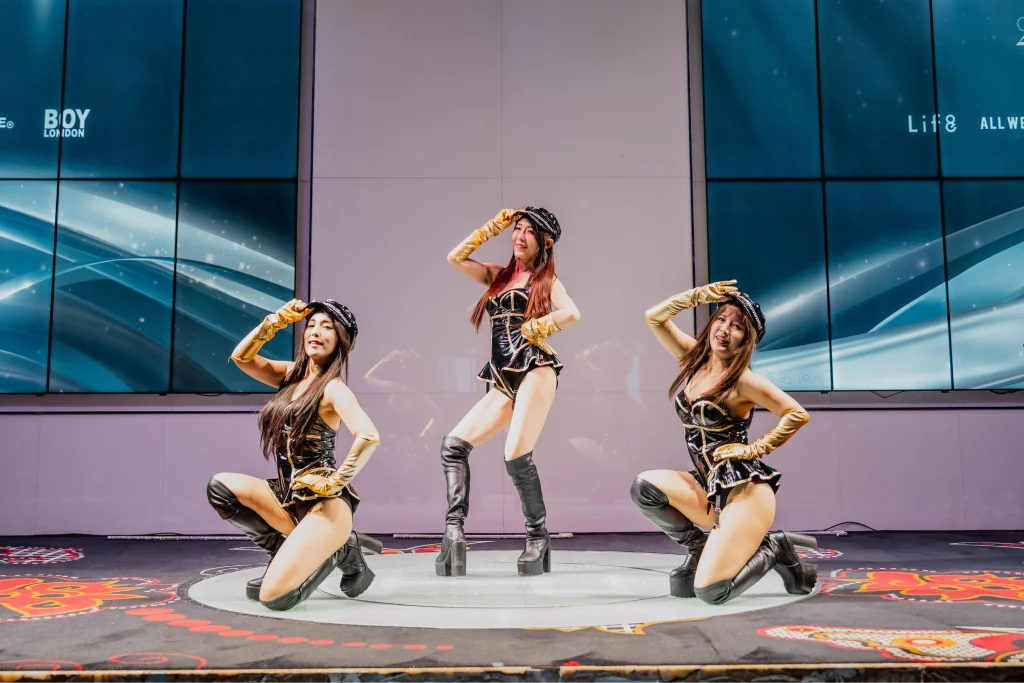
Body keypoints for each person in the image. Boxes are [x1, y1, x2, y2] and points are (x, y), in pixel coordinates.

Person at [632, 281, 817, 604]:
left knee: (711, 592)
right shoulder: (693, 361)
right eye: (721, 319)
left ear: (747, 340)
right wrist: (695, 297)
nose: (724, 330)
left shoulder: (744, 381)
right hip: (708, 485)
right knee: (644, 488)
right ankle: (698, 548)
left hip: (744, 492)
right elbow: (654, 317)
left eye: (737, 327)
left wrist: (755, 449)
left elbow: (796, 414)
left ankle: (775, 548)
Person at [206, 298, 381, 611]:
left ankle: (339, 549)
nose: (315, 331)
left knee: (274, 597)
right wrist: (275, 321)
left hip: (323, 506)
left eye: (326, 327)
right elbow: (242, 357)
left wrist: (336, 482)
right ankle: (281, 554)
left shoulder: (334, 389)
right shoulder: (290, 375)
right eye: (311, 325)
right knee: (220, 487)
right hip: (287, 497)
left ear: (341, 340)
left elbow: (368, 435)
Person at [436, 207, 580, 577]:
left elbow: (572, 313)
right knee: (453, 446)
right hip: (503, 375)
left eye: (529, 231)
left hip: (535, 368)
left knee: (515, 455)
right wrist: (490, 228)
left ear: (545, 242)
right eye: (517, 229)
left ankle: (537, 537)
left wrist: (536, 328)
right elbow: (455, 258)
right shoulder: (498, 277)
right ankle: (453, 534)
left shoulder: (546, 280)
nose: (519, 236)